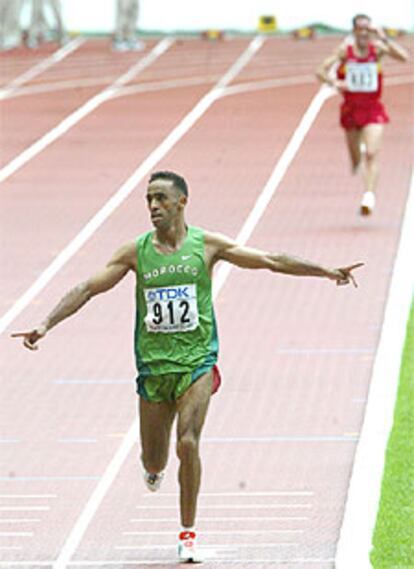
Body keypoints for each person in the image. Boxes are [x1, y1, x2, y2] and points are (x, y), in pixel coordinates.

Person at [12, 171, 363, 562]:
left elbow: (269, 260)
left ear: (182, 202)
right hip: (153, 370)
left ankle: (188, 533)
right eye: (148, 200)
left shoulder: (206, 245)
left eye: (161, 199)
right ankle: (154, 468)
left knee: (188, 441)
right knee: (154, 458)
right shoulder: (135, 252)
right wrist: (46, 323)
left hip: (197, 362)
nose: (153, 207)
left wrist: (326, 270)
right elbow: (89, 288)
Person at [316, 14, 408, 216]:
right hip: (350, 110)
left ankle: (369, 197)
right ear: (354, 31)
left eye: (368, 28)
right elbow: (320, 70)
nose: (365, 32)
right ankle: (356, 163)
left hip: (373, 108)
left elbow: (404, 57)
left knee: (372, 153)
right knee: (356, 158)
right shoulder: (344, 52)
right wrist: (335, 83)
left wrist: (384, 38)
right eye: (361, 28)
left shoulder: (378, 50)